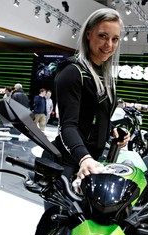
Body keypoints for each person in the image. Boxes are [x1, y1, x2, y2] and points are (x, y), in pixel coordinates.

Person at [53, 8, 130, 181]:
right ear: (88, 34)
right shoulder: (73, 72)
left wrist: (112, 131)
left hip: (90, 164)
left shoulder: (106, 77)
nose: (109, 45)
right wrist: (84, 158)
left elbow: (92, 119)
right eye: (103, 36)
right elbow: (68, 126)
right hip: (68, 164)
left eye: (115, 39)